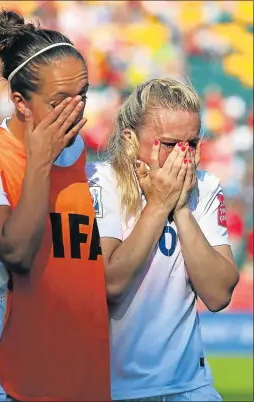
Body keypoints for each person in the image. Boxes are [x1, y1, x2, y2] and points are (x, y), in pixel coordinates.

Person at [0, 10, 111, 402]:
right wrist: (41, 163)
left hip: (62, 377)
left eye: (82, 95)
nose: (75, 110)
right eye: (59, 101)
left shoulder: (96, 167)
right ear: (20, 102)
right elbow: (17, 251)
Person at [86, 78, 239, 402]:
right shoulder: (101, 182)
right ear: (130, 139)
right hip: (115, 389)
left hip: (189, 386)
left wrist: (181, 208)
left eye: (192, 144)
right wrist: (158, 205)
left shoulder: (205, 186)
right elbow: (108, 284)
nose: (183, 158)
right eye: (169, 144)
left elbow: (218, 294)